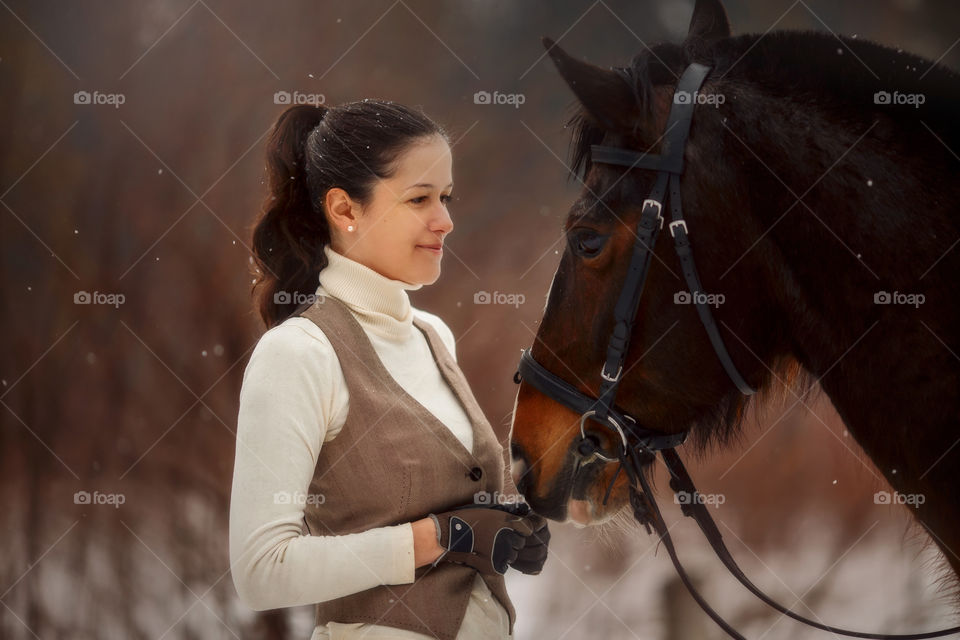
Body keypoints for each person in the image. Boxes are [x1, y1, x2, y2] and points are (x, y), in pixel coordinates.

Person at [229, 100, 550, 640]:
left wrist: (511, 525)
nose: (445, 220)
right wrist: (442, 537)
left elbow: (447, 493)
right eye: (419, 198)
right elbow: (262, 570)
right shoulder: (300, 353)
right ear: (345, 210)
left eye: (445, 197)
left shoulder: (433, 337)